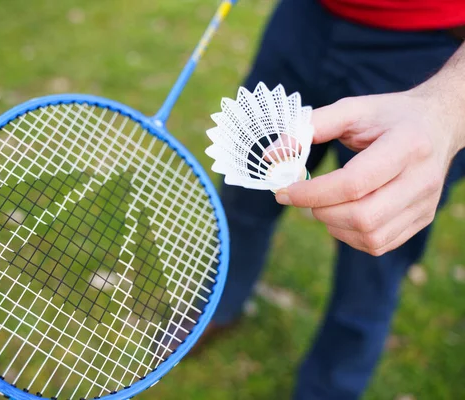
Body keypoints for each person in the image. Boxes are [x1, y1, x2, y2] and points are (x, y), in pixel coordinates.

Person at [190, 0, 465, 398]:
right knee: (243, 198)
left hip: (436, 52)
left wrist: (448, 109)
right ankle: (220, 306)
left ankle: (330, 388)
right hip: (304, 19)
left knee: (374, 259)